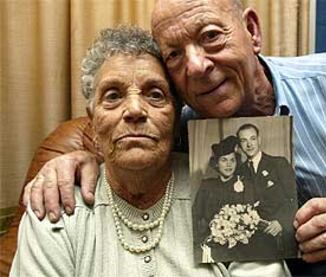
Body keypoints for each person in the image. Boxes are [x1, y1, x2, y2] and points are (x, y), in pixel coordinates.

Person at [21, 0, 326, 275]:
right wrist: (78, 159)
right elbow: (130, 146)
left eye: (210, 36)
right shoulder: (183, 133)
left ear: (252, 31)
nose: (196, 65)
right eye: (174, 54)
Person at [10, 26, 290, 277]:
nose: (134, 110)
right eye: (113, 96)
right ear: (93, 122)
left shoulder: (222, 191)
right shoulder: (58, 206)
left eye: (155, 94)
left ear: (177, 119)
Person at [236, 123, 298, 260]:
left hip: (279, 237)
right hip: (251, 240)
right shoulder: (239, 172)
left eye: (252, 139)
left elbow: (294, 197)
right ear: (239, 145)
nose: (249, 144)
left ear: (259, 140)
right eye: (244, 141)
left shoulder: (278, 164)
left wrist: (282, 222)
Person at [193, 135, 257, 263]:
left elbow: (250, 217)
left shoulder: (245, 185)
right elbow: (195, 215)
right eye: (224, 160)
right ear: (216, 163)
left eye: (232, 160)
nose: (229, 165)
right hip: (211, 243)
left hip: (239, 247)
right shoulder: (207, 185)